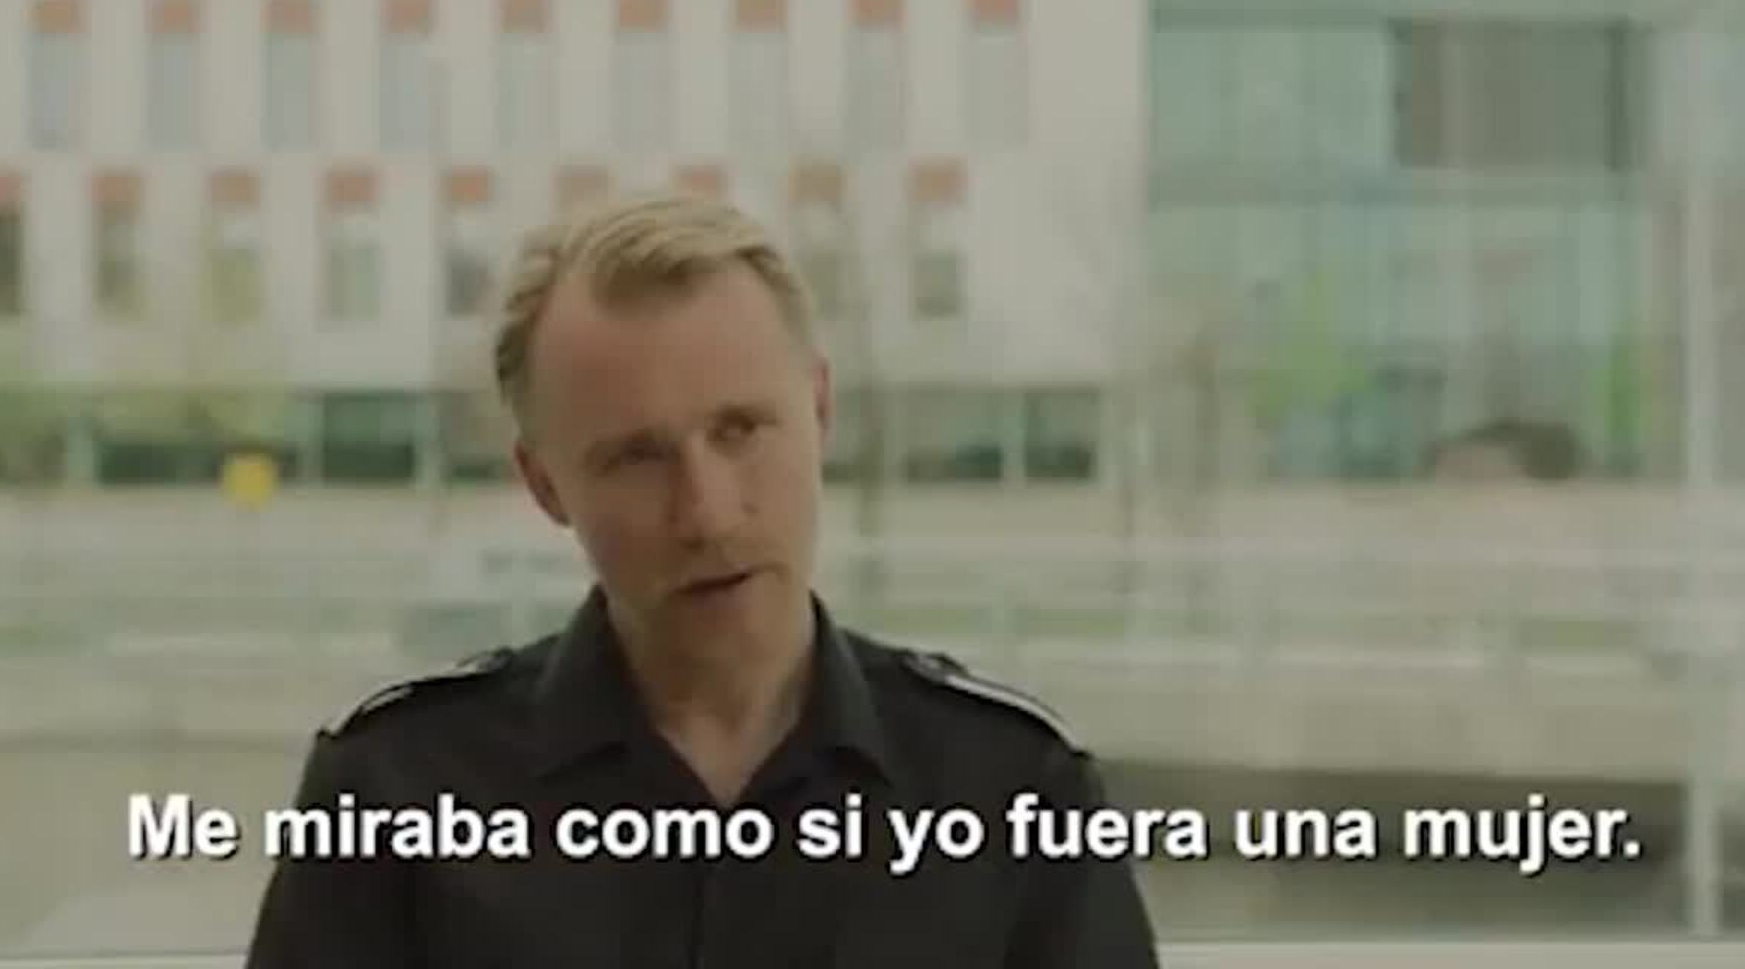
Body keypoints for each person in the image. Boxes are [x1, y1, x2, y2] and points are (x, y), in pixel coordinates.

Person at [243, 193, 1162, 967]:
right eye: (637, 457)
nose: (709, 514)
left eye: (741, 431)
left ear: (820, 411)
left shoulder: (1016, 793)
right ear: (545, 485)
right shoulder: (393, 795)